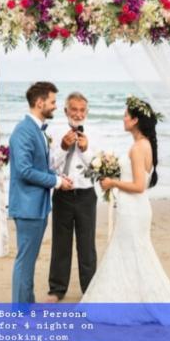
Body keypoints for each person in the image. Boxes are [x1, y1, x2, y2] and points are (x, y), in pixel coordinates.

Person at [80, 96, 170, 325]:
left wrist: (112, 183)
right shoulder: (145, 145)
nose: (123, 118)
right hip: (135, 208)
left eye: (126, 115)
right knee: (131, 252)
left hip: (133, 208)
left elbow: (139, 186)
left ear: (135, 120)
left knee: (132, 252)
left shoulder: (138, 148)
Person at [8, 81, 73, 303]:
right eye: (52, 102)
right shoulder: (23, 131)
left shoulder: (36, 130)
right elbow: (25, 170)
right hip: (27, 207)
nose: (55, 106)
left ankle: (27, 305)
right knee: (25, 261)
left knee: (28, 261)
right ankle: (20, 311)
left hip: (37, 206)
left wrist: (58, 176)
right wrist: (55, 181)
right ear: (39, 102)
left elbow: (38, 167)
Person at [46, 92, 98, 303]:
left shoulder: (95, 133)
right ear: (66, 111)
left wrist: (85, 151)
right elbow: (49, 167)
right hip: (62, 195)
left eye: (82, 110)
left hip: (86, 194)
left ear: (86, 112)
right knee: (61, 243)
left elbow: (99, 167)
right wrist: (63, 147)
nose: (78, 114)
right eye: (73, 109)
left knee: (87, 244)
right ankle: (57, 289)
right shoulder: (54, 132)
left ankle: (90, 289)